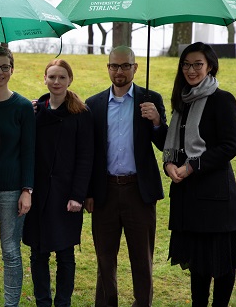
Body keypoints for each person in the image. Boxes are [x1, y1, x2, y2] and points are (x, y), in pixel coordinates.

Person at [84, 46, 168, 307]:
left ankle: (142, 303)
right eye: (114, 66)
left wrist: (156, 122)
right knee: (104, 259)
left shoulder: (150, 100)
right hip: (105, 191)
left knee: (142, 258)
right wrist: (88, 192)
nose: (119, 71)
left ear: (135, 68)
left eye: (125, 66)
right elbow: (88, 154)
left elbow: (166, 145)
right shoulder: (94, 104)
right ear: (108, 67)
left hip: (138, 192)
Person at [163, 42, 236, 306]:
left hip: (216, 197)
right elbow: (176, 146)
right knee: (198, 261)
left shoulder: (222, 99)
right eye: (186, 64)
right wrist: (169, 164)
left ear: (210, 66)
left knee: (221, 262)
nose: (191, 70)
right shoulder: (182, 101)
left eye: (198, 64)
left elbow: (229, 147)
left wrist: (192, 166)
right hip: (188, 196)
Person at [23, 59, 94, 307]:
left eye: (61, 77)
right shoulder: (34, 111)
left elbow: (86, 158)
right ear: (44, 78)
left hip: (66, 194)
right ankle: (43, 301)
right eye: (52, 77)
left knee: (65, 254)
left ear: (69, 80)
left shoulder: (81, 113)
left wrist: (78, 195)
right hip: (39, 193)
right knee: (37, 253)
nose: (56, 82)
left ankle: (63, 302)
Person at [0, 45, 36, 307]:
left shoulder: (23, 106)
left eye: (5, 66)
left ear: (12, 69)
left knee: (11, 252)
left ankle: (10, 304)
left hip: (12, 190)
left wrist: (27, 189)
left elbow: (28, 151)